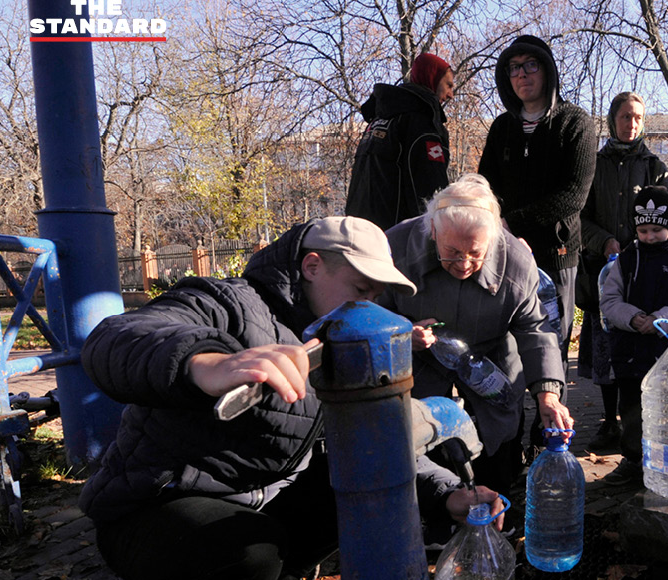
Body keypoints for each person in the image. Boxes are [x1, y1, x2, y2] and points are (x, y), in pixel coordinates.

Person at [79, 216, 501, 580]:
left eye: (375, 297)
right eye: (360, 288)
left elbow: (364, 445)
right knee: (249, 554)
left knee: (363, 498)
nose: (368, 307)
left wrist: (446, 493)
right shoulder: (231, 303)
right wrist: (204, 362)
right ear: (312, 266)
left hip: (265, 500)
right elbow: (115, 339)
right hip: (157, 504)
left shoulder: (335, 336)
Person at [377, 174, 573, 498]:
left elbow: (535, 330)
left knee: (498, 437)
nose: (464, 263)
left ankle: (498, 505)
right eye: (452, 252)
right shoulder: (394, 248)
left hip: (492, 354)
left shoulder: (517, 262)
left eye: (475, 253)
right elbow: (368, 308)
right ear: (433, 231)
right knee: (421, 435)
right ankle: (438, 513)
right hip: (419, 356)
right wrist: (399, 331)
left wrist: (548, 393)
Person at [478, 35, 597, 362]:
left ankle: (550, 410)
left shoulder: (575, 123)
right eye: (514, 68)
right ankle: (512, 413)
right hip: (504, 253)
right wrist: (493, 224)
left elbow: (573, 196)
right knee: (504, 347)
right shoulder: (502, 128)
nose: (522, 74)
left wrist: (512, 222)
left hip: (555, 254)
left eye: (531, 65)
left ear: (547, 71)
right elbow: (485, 185)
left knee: (550, 345)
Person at [577, 91, 668, 453]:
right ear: (612, 120)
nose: (631, 123)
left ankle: (640, 422)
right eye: (624, 117)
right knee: (606, 350)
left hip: (645, 274)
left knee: (640, 348)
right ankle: (609, 421)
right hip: (603, 273)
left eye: (637, 117)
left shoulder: (653, 166)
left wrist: (643, 244)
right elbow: (579, 217)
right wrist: (603, 241)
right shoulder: (594, 164)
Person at [598, 186, 668, 486]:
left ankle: (665, 463)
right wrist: (632, 317)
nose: (649, 237)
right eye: (643, 230)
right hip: (630, 350)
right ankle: (633, 459)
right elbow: (609, 299)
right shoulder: (626, 258)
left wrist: (660, 319)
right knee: (631, 409)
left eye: (656, 230)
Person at [346, 53, 456, 230]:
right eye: (448, 85)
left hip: (359, 234)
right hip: (397, 242)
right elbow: (431, 190)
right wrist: (435, 237)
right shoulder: (421, 123)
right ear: (432, 79)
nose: (451, 94)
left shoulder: (378, 121)